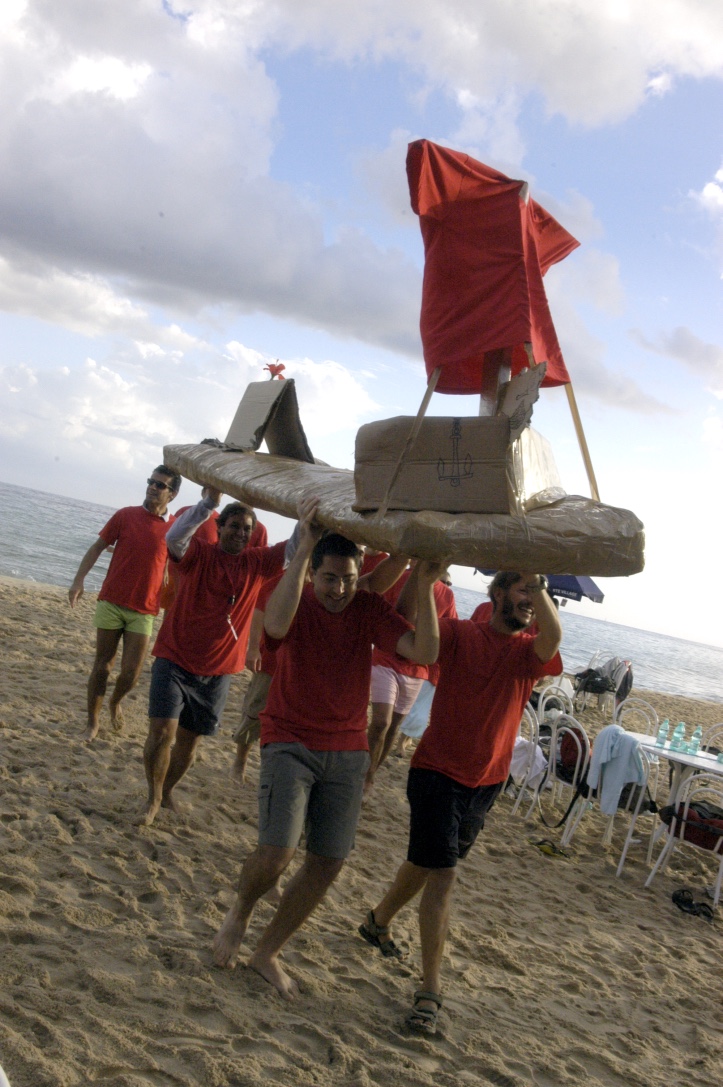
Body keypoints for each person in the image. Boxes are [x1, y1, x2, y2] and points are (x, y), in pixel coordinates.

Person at [212, 521, 442, 1000]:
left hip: (346, 748)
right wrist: (304, 550)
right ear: (313, 574)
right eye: (330, 578)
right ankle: (240, 911)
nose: (339, 589)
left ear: (361, 577)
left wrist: (423, 579)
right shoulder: (294, 596)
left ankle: (267, 952)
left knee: (329, 861)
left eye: (349, 579)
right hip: (289, 737)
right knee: (277, 853)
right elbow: (273, 627)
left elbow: (421, 650)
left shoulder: (364, 606)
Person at [361, 571, 563, 1035]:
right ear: (496, 594)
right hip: (436, 772)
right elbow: (422, 641)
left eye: (535, 595)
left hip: (487, 781)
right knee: (444, 874)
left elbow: (553, 636)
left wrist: (540, 588)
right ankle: (429, 991)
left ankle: (377, 921)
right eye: (522, 592)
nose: (530, 602)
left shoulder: (527, 652)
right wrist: (427, 578)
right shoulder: (460, 633)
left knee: (427, 861)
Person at [138, 488, 300, 827]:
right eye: (234, 526)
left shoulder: (258, 563)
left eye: (247, 529)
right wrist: (208, 503)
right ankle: (152, 798)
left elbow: (295, 548)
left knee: (189, 742)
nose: (241, 533)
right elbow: (175, 536)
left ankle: (167, 790)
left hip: (219, 669)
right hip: (175, 657)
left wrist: (307, 514)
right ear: (220, 526)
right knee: (160, 733)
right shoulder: (199, 553)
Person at [68, 466, 180, 742]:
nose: (153, 487)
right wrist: (78, 581)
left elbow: (182, 564)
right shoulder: (125, 515)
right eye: (151, 482)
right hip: (112, 601)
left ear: (172, 494)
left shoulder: (176, 527)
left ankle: (115, 701)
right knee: (102, 666)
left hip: (145, 609)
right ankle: (92, 723)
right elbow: (96, 548)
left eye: (161, 485)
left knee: (131, 673)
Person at [365, 566, 457, 789]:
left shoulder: (446, 594)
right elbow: (380, 612)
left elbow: (447, 632)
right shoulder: (401, 577)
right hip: (386, 658)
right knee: (380, 722)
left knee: (394, 727)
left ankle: (372, 772)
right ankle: (364, 775)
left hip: (417, 668)